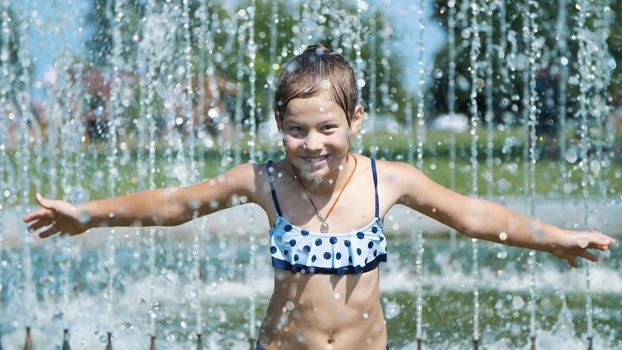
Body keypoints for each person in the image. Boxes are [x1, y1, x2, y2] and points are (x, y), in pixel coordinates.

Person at [23, 44, 616, 350]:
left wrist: (555, 239)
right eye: (296, 129)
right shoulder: (264, 181)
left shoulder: (390, 180)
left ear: (355, 119)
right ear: (279, 125)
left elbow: (473, 215)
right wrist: (87, 215)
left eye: (327, 128)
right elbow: (175, 204)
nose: (312, 144)